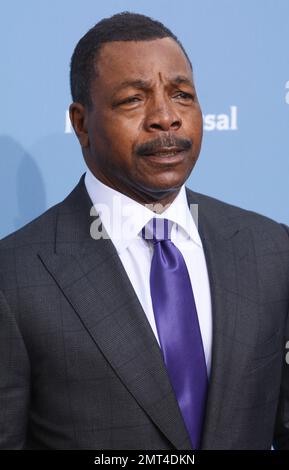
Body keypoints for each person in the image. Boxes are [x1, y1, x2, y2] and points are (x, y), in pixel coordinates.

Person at [0, 11, 288, 450]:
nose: (166, 118)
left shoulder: (271, 249)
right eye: (134, 100)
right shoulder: (14, 276)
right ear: (81, 123)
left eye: (182, 95)